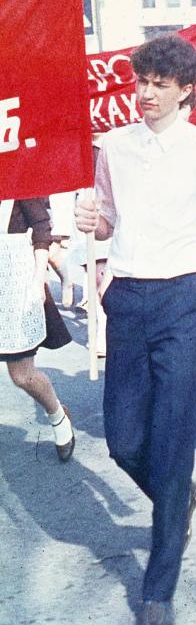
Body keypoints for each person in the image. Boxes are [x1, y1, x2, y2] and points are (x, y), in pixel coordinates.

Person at [75, 34, 196, 625]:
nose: (145, 94)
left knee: (172, 442)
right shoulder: (114, 146)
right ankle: (177, 497)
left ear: (185, 90)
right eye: (140, 82)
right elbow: (108, 220)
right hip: (126, 299)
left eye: (159, 85)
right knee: (122, 441)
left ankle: (157, 588)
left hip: (181, 303)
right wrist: (93, 220)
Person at [0, 197, 75, 461]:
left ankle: (57, 415)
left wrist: (38, 279)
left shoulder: (18, 175)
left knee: (22, 374)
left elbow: (42, 230)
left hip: (14, 281)